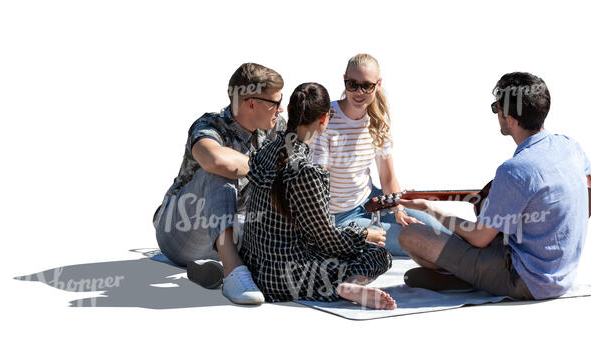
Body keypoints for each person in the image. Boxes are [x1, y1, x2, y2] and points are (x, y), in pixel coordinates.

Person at [398, 72, 591, 300]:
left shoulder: (515, 170)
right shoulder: (571, 146)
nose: (496, 114)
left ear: (510, 119)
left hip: (525, 280)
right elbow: (589, 198)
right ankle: (465, 275)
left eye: (496, 108)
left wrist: (428, 208)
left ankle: (468, 278)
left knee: (410, 235)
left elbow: (479, 237)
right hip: (563, 274)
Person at [240, 82, 396, 310]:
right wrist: (364, 235)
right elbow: (328, 240)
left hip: (255, 267)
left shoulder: (266, 149)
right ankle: (348, 285)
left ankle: (346, 285)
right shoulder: (306, 171)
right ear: (324, 119)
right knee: (378, 254)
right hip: (285, 277)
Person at [152, 62, 287, 304]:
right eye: (275, 103)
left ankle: (211, 269)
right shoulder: (209, 125)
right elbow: (213, 159)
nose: (281, 108)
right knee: (220, 170)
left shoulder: (276, 130)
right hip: (182, 230)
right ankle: (233, 271)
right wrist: (267, 167)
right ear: (251, 103)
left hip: (236, 227)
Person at [311, 53, 448, 256]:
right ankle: (476, 262)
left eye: (366, 86)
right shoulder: (326, 118)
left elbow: (388, 177)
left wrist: (398, 210)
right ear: (344, 80)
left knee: (435, 225)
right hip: (339, 217)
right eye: (352, 84)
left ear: (378, 84)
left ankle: (489, 248)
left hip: (372, 201)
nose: (359, 91)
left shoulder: (377, 118)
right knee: (419, 240)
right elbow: (316, 181)